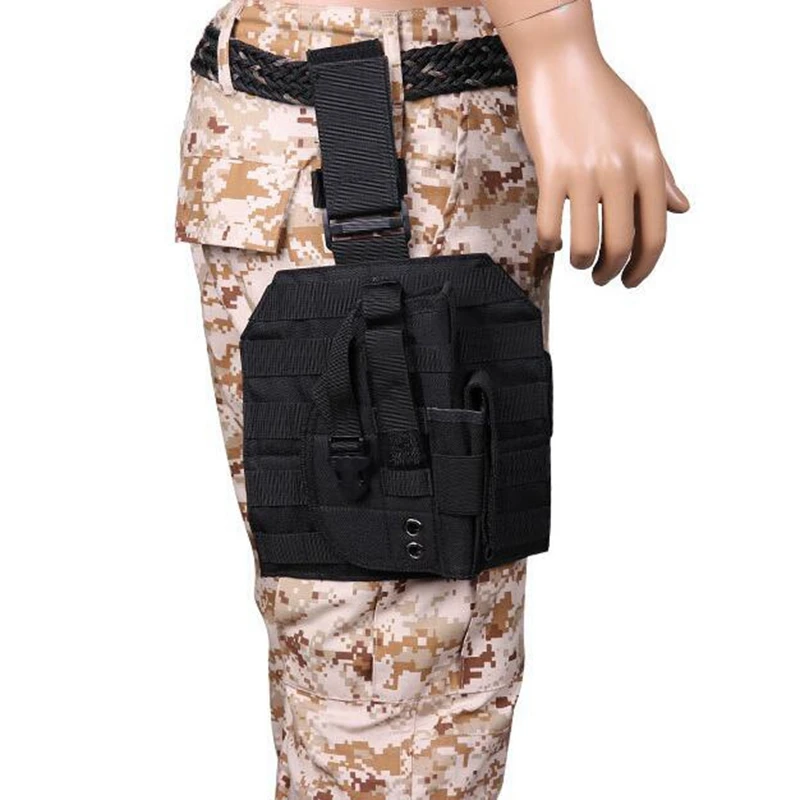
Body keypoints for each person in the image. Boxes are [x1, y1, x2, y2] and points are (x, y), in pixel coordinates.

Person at [175, 0, 689, 796]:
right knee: (401, 706)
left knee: (359, 685)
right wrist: (557, 40)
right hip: (377, 128)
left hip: (351, 100)